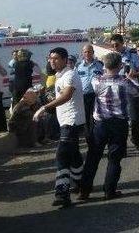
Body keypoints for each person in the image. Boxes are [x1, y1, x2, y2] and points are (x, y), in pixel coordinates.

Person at [79, 52, 139, 201]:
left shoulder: (97, 81)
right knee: (114, 158)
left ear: (105, 65)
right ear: (120, 66)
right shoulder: (124, 82)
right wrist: (132, 78)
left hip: (100, 124)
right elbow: (138, 93)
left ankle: (84, 191)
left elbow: (88, 88)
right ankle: (109, 190)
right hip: (119, 124)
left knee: (93, 157)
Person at [33, 47, 86, 208]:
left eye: (55, 58)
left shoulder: (71, 74)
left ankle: (62, 193)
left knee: (62, 154)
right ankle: (81, 182)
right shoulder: (59, 76)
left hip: (72, 121)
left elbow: (67, 95)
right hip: (64, 120)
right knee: (74, 154)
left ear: (64, 59)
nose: (52, 61)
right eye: (50, 58)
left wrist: (45, 108)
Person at [109, 34, 139, 152]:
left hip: (131, 90)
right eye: (112, 45)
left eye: (116, 45)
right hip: (116, 91)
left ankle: (135, 138)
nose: (114, 47)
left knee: (134, 119)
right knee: (119, 121)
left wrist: (134, 74)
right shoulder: (110, 57)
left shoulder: (132, 55)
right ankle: (122, 147)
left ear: (122, 43)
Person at [76, 44, 103, 142]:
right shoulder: (78, 67)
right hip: (84, 96)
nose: (87, 54)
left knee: (97, 118)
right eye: (85, 52)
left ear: (93, 52)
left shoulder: (100, 65)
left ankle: (98, 138)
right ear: (82, 53)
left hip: (97, 96)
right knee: (86, 119)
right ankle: (90, 140)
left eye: (89, 51)